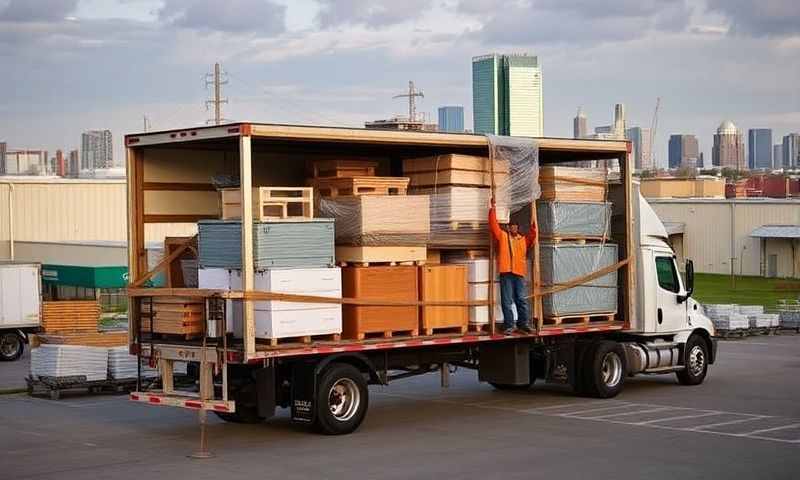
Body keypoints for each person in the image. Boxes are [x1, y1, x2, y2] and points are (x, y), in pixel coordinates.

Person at [488, 198, 537, 335]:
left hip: (519, 274)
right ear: (508, 227)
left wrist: (533, 227)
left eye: (515, 225)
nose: (513, 227)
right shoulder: (503, 236)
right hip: (507, 273)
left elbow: (533, 236)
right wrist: (492, 209)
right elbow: (493, 226)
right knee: (507, 300)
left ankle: (523, 324)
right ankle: (509, 325)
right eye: (511, 225)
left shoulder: (523, 240)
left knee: (521, 300)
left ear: (518, 227)